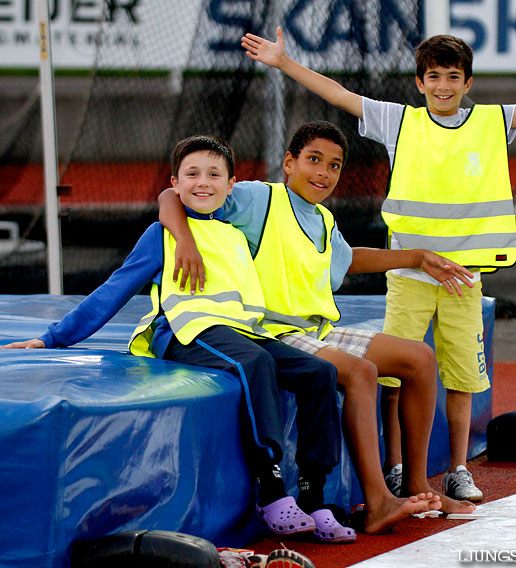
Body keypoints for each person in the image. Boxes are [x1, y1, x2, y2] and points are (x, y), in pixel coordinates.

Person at [240, 28, 516, 502]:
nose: (443, 85)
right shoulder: (399, 121)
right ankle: (396, 468)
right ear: (419, 83)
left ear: (468, 83)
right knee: (394, 375)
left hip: (465, 276)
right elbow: (339, 94)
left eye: (452, 77)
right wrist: (284, 62)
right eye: (433, 76)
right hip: (408, 276)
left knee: (462, 376)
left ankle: (459, 467)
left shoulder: (493, 121)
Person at [0, 135, 365, 544]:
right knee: (255, 364)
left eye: (214, 175)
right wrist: (52, 338)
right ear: (175, 182)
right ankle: (272, 489)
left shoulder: (235, 233)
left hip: (239, 332)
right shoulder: (163, 235)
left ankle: (314, 495)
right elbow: (115, 288)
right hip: (185, 331)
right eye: (192, 174)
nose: (202, 182)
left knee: (319, 373)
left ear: (231, 187)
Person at [158, 121, 479, 535]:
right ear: (288, 163)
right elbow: (171, 195)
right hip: (270, 331)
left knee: (419, 358)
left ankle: (415, 487)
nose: (323, 173)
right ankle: (378, 501)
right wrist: (183, 238)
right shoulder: (259, 198)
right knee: (361, 372)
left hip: (317, 331)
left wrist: (416, 257)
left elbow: (348, 259)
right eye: (313, 160)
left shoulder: (323, 219)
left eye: (334, 165)